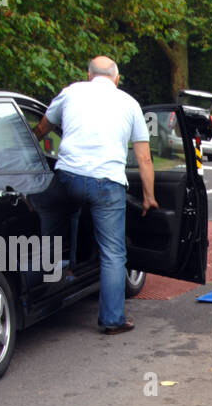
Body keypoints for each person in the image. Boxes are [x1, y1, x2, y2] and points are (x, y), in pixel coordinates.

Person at [34, 56, 158, 335]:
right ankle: (112, 319)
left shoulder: (71, 92)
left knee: (54, 220)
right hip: (107, 184)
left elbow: (42, 129)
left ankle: (53, 273)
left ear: (88, 74)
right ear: (116, 78)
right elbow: (144, 158)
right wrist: (149, 196)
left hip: (68, 177)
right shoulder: (129, 104)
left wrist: (26, 155)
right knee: (113, 253)